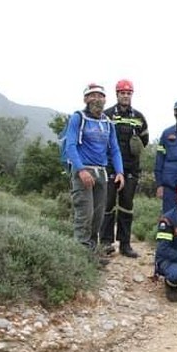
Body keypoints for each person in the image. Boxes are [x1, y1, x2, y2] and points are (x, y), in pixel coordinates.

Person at [63, 83, 124, 257]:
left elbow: (114, 149)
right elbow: (71, 145)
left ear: (105, 99)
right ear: (85, 99)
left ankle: (91, 253)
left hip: (101, 172)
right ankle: (81, 256)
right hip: (83, 171)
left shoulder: (107, 122)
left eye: (100, 95)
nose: (97, 98)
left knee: (98, 217)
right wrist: (81, 170)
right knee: (85, 215)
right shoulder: (78, 118)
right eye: (92, 95)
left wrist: (120, 172)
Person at [100, 79, 149, 258]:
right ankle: (105, 242)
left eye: (128, 93)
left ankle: (125, 244)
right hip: (110, 166)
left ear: (131, 95)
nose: (125, 96)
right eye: (122, 93)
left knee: (127, 205)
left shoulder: (138, 117)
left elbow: (144, 140)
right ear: (117, 94)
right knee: (108, 204)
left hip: (131, 168)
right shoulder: (107, 115)